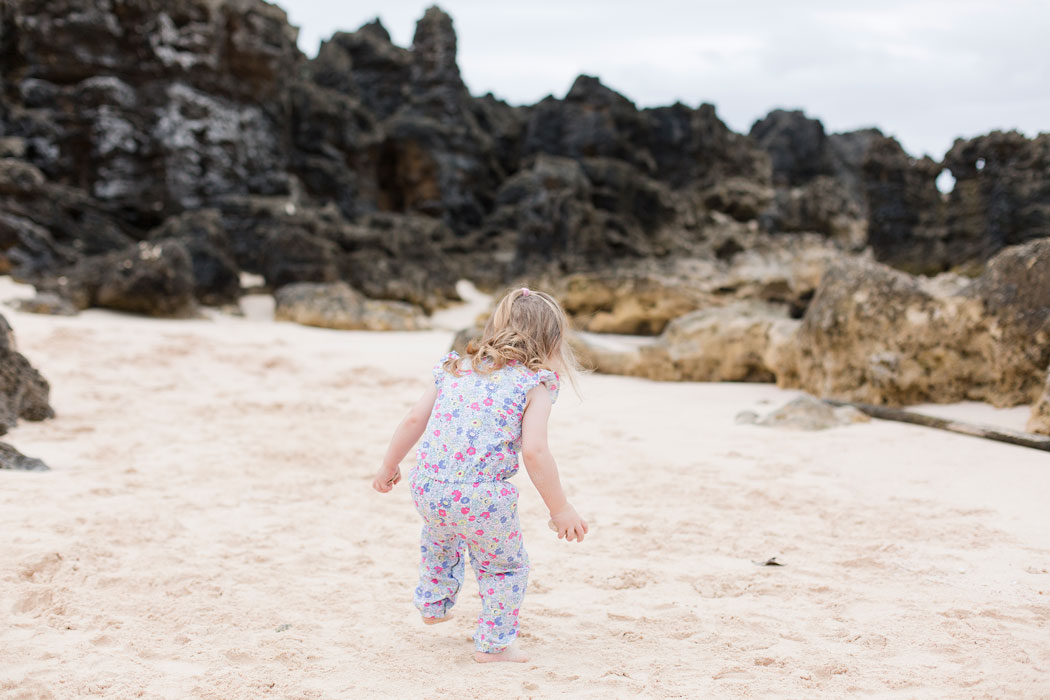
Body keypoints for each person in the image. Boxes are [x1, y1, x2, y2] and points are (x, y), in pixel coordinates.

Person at [372, 286, 588, 663]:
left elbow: (412, 420)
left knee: (440, 539)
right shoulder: (534, 384)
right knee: (504, 567)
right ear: (551, 338)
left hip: (428, 486)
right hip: (482, 497)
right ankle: (495, 645)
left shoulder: (454, 368)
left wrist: (389, 466)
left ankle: (433, 603)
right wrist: (560, 508)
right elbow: (535, 452)